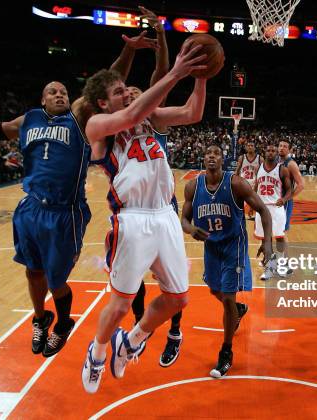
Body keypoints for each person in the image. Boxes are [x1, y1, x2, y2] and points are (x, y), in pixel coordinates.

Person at [0, 33, 157, 358]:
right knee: (32, 271)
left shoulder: (80, 119)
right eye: (52, 91)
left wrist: (129, 49)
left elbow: (105, 84)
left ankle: (64, 323)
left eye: (63, 92)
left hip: (64, 212)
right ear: (42, 99)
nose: (59, 94)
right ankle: (41, 319)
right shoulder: (29, 120)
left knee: (57, 280)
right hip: (29, 209)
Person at [80, 42, 207, 393]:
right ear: (103, 102)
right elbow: (130, 116)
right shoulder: (98, 124)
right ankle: (98, 351)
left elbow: (193, 113)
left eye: (126, 88)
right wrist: (176, 73)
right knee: (120, 304)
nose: (126, 91)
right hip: (132, 219)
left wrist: (201, 77)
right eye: (118, 91)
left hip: (164, 214)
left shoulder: (150, 118)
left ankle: (133, 340)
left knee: (179, 298)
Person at [125, 8, 185, 368]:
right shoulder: (114, 127)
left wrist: (161, 33)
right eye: (129, 92)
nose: (136, 94)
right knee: (132, 280)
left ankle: (174, 331)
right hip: (130, 212)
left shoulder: (154, 119)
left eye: (140, 91)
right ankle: (139, 330)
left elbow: (161, 73)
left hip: (162, 209)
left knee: (171, 281)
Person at [182, 144, 272, 377]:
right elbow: (183, 219)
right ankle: (239, 309)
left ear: (223, 160)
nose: (211, 157)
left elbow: (263, 210)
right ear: (203, 159)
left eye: (216, 154)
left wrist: (268, 242)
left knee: (228, 299)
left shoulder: (236, 183)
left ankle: (226, 351)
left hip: (234, 246)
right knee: (215, 292)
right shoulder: (193, 186)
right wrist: (191, 229)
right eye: (208, 154)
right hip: (211, 248)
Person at [254, 144, 292, 280]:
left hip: (276, 208)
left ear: (277, 154)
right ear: (264, 152)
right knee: (265, 240)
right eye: (268, 150)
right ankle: (270, 268)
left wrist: (284, 199)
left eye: (273, 151)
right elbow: (256, 187)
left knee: (279, 237)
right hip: (262, 208)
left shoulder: (283, 170)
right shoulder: (259, 168)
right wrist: (252, 204)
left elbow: (289, 190)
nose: (270, 153)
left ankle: (281, 265)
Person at [235, 140, 263, 220]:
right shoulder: (242, 157)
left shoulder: (260, 159)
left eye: (252, 146)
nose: (250, 147)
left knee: (255, 202)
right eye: (248, 145)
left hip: (255, 184)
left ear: (254, 148)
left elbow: (263, 173)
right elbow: (237, 170)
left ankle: (254, 215)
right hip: (243, 183)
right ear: (246, 147)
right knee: (239, 202)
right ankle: (239, 216)